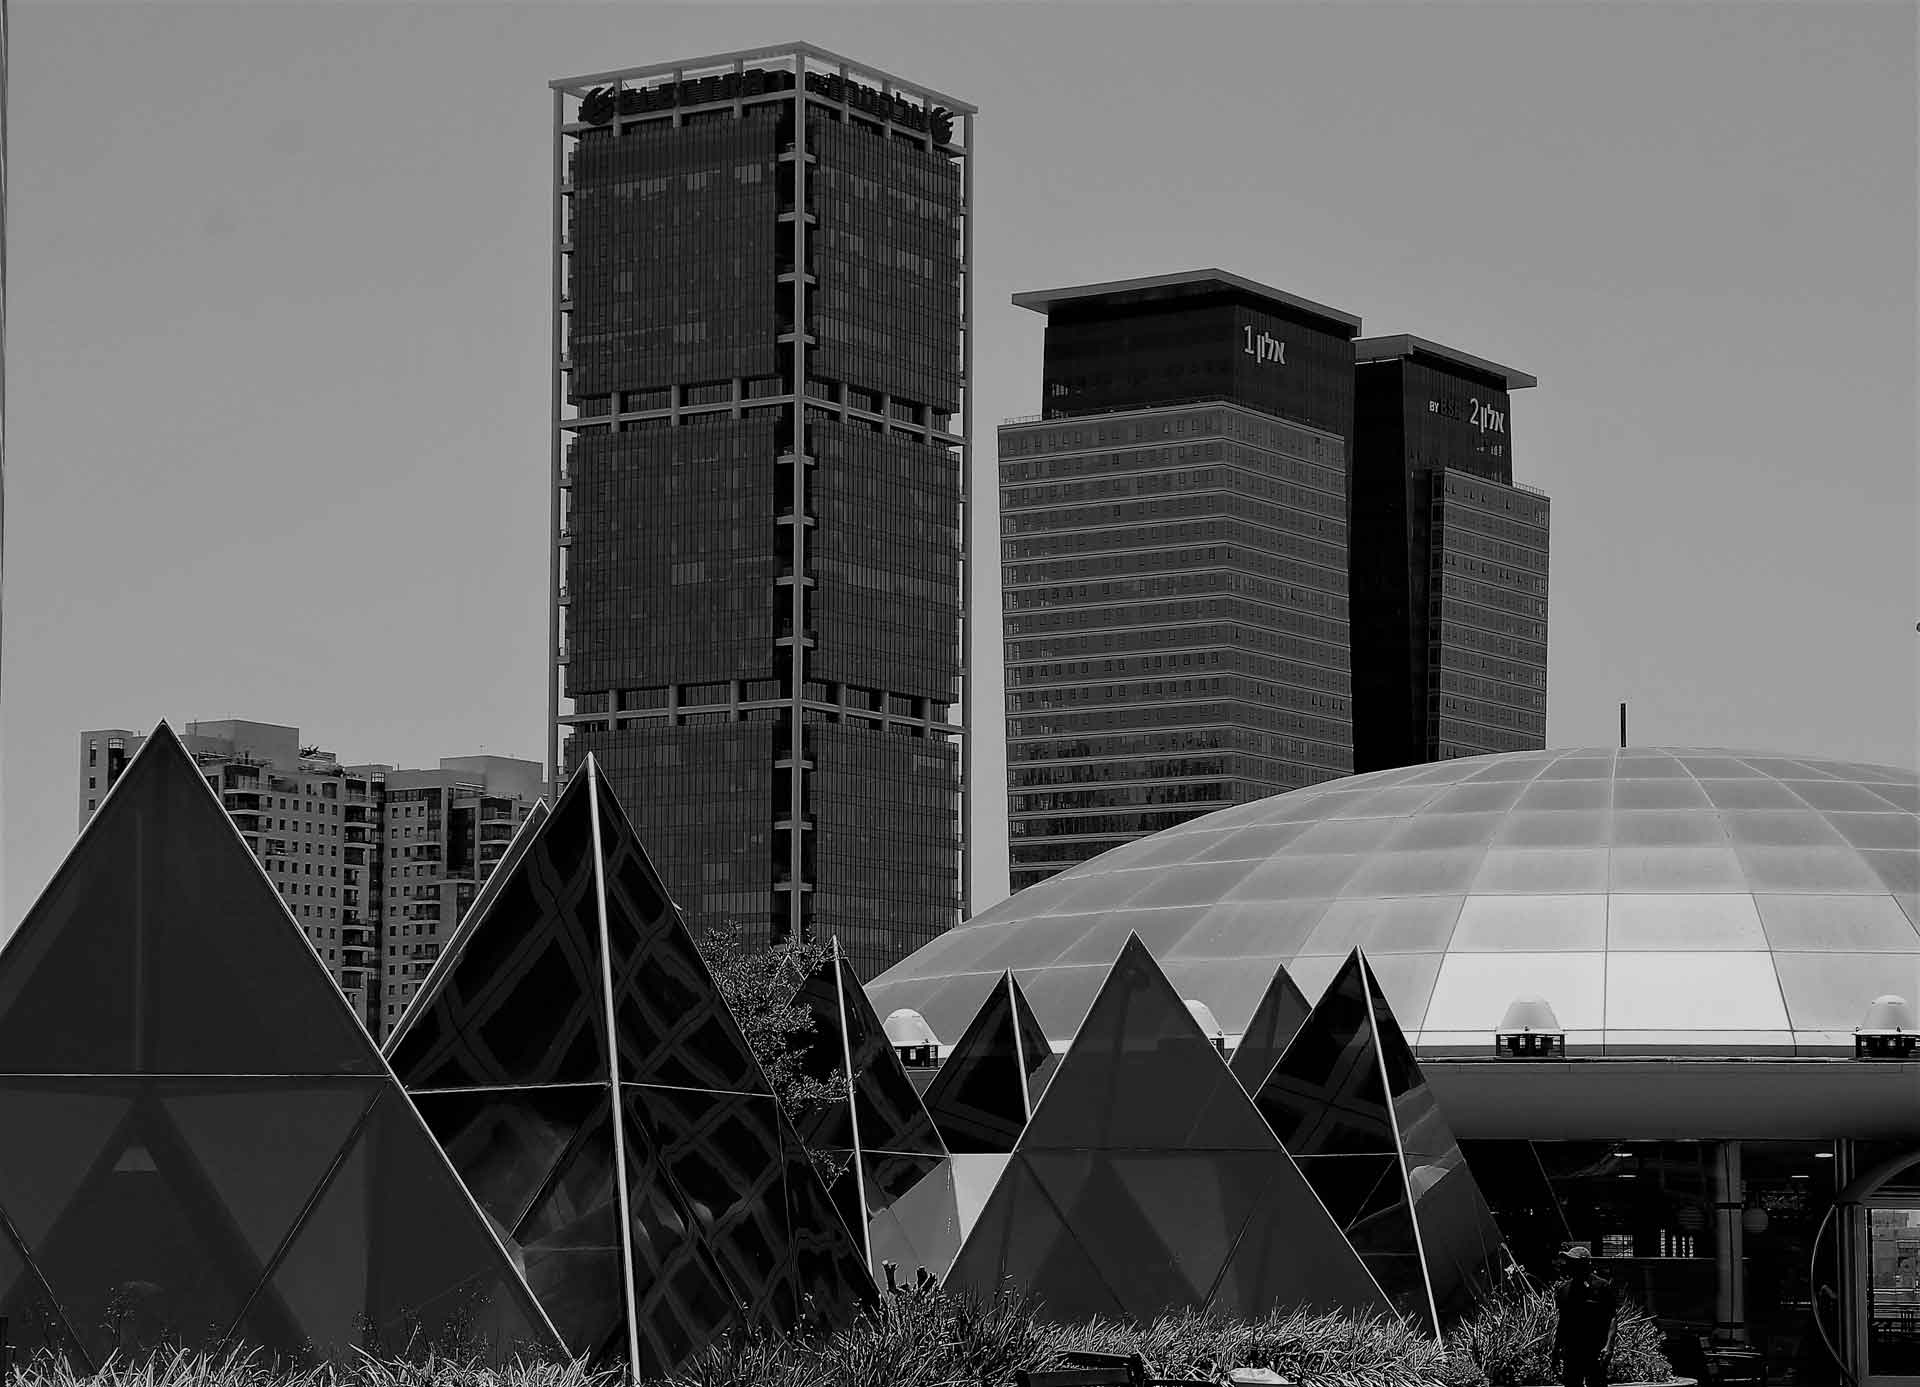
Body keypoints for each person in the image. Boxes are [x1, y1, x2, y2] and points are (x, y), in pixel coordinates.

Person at [1551, 1244, 1619, 1387]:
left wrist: (1609, 1346)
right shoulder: (1564, 1290)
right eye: (1569, 1262)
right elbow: (1563, 1322)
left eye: (1573, 1262)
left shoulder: (1602, 1287)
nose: (1569, 1265)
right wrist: (1556, 1349)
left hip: (1595, 1351)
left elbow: (1612, 1317)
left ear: (1585, 1265)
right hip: (1572, 1352)